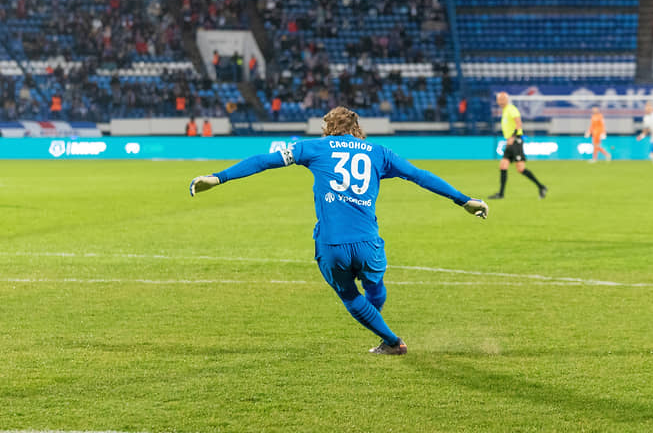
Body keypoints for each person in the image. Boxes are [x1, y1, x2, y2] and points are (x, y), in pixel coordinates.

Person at [189, 107, 488, 355]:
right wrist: (464, 201)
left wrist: (218, 178)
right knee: (374, 285)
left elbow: (264, 161)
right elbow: (420, 176)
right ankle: (378, 315)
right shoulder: (379, 152)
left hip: (333, 245)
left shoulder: (313, 148)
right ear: (356, 128)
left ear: (328, 128)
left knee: (349, 295)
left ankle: (393, 342)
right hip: (370, 245)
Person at [488, 91, 547, 199]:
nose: (501, 101)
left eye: (503, 99)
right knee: (503, 165)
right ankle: (501, 194)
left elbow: (519, 123)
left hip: (516, 141)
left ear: (507, 100)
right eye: (499, 99)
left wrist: (513, 137)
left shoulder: (511, 109)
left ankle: (541, 187)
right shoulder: (505, 111)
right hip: (510, 142)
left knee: (520, 169)